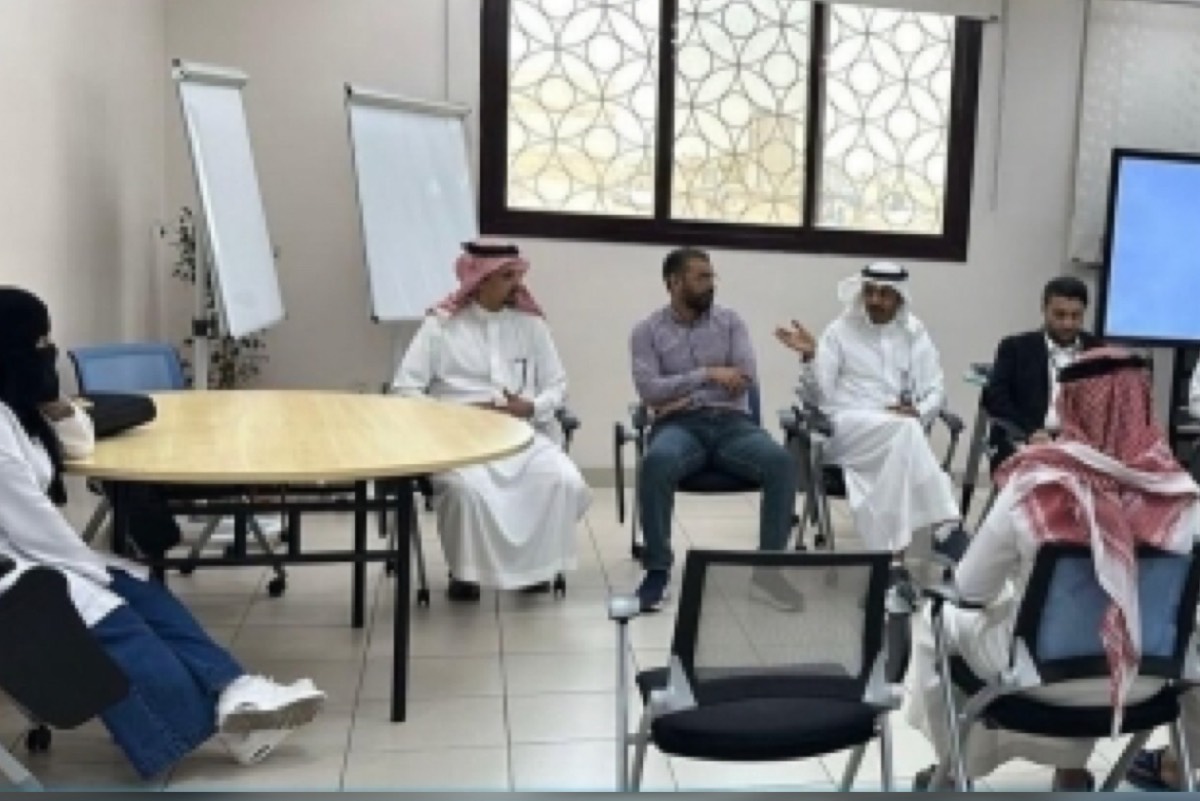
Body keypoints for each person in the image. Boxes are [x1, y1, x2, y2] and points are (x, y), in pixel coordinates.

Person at [0, 287, 326, 779]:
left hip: (33, 551)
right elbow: (33, 524)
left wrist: (52, 399)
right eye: (38, 342)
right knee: (117, 618)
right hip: (15, 566)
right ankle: (203, 727)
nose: (48, 349)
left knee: (144, 587)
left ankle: (237, 690)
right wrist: (95, 574)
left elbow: (79, 443)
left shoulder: (17, 407)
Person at [905, 348, 1200, 791]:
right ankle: (1074, 771)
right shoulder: (1183, 494)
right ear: (1144, 403)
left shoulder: (1035, 484)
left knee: (938, 621)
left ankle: (954, 770)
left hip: (1038, 682)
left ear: (1071, 404)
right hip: (1147, 681)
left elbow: (971, 590)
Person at [392, 240, 590, 601]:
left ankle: (535, 568)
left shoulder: (532, 326)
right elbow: (405, 389)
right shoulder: (440, 327)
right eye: (507, 277)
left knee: (562, 481)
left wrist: (530, 407)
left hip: (521, 436)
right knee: (465, 491)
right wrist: (457, 416)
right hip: (458, 441)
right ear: (480, 280)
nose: (518, 284)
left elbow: (557, 385)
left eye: (518, 275)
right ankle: (466, 572)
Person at [630, 247, 799, 613]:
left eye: (711, 276)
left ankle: (768, 573)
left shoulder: (731, 322)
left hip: (732, 424)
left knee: (782, 463)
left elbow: (744, 375)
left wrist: (682, 391)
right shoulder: (646, 331)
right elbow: (650, 390)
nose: (711, 284)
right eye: (701, 277)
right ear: (674, 282)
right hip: (678, 425)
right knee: (656, 462)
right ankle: (657, 571)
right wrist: (708, 374)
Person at [775, 262, 967, 571]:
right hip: (845, 428)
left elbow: (936, 389)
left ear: (899, 298)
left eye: (884, 294)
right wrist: (811, 357)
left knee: (902, 447)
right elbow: (817, 397)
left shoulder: (914, 333)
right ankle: (946, 524)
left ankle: (892, 565)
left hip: (896, 435)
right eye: (869, 292)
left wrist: (920, 410)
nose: (875, 300)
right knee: (907, 431)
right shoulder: (840, 331)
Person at [984, 276, 1101, 469]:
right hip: (1026, 438)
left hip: (1081, 445)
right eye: (1060, 315)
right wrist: (1030, 432)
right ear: (1044, 310)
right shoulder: (1015, 348)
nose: (1068, 324)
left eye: (1075, 316)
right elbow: (996, 399)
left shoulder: (1097, 351)